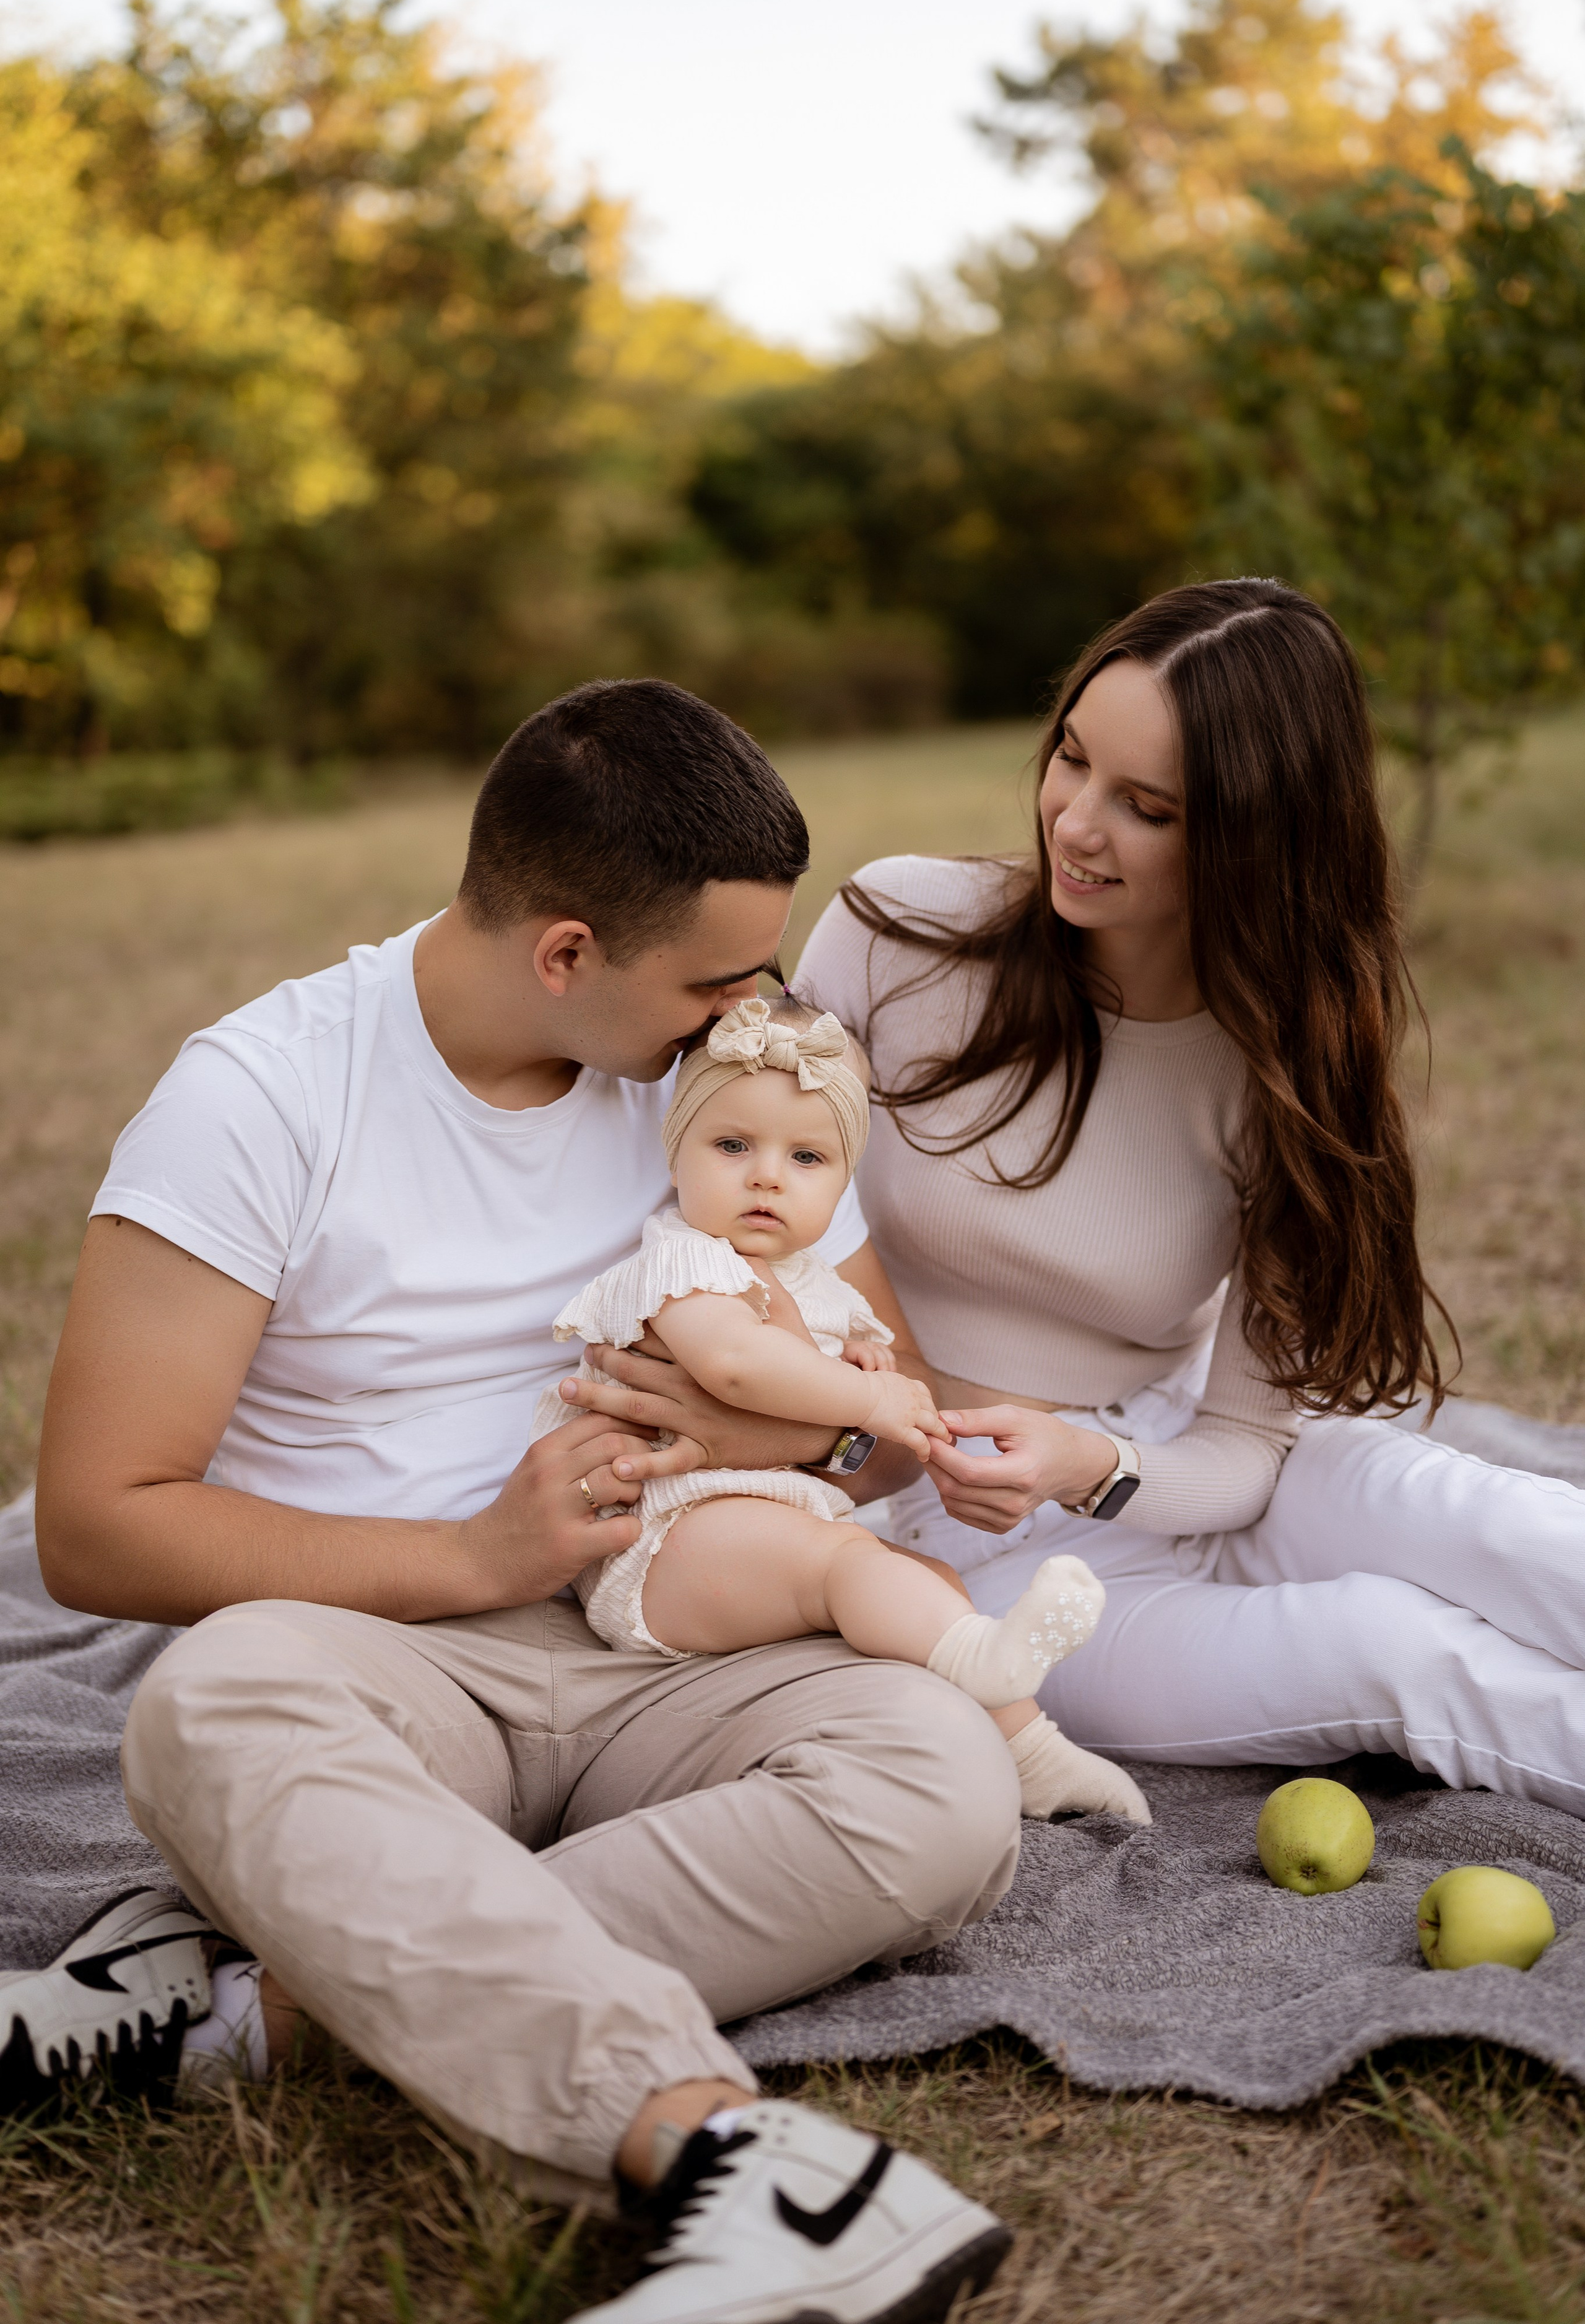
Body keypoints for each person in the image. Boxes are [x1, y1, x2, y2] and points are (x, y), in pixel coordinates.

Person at [24, 679, 1019, 2324]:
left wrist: (777, 1440)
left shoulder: (715, 1089)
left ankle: (261, 2010)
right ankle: (734, 2163)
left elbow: (886, 1413)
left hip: (686, 1633)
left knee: (944, 1778)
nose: (750, 1011)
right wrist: (473, 1553)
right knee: (209, 1709)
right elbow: (97, 1523)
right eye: (714, 977)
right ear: (566, 954)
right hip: (393, 1659)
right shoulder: (262, 1098)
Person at [784, 577, 1585, 1817]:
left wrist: (1090, 1456)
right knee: (1398, 1651)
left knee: (1496, 1524)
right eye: (1070, 759)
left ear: (1257, 837)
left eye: (1144, 806)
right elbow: (731, 1195)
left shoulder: (1280, 1062)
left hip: (1151, 1459)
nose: (1074, 822)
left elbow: (1241, 1449)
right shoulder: (895, 935)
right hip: (968, 1545)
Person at [536, 990, 1147, 1823]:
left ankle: (1033, 1749)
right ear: (677, 1152)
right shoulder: (683, 1260)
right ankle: (990, 1668)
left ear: (843, 1181)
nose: (765, 1176)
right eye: (732, 1145)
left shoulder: (817, 1283)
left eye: (807, 1160)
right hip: (664, 1548)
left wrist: (863, 1358)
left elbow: (830, 1377)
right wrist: (865, 1394)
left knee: (922, 1579)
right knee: (847, 1568)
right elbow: (736, 1365)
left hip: (762, 1532)